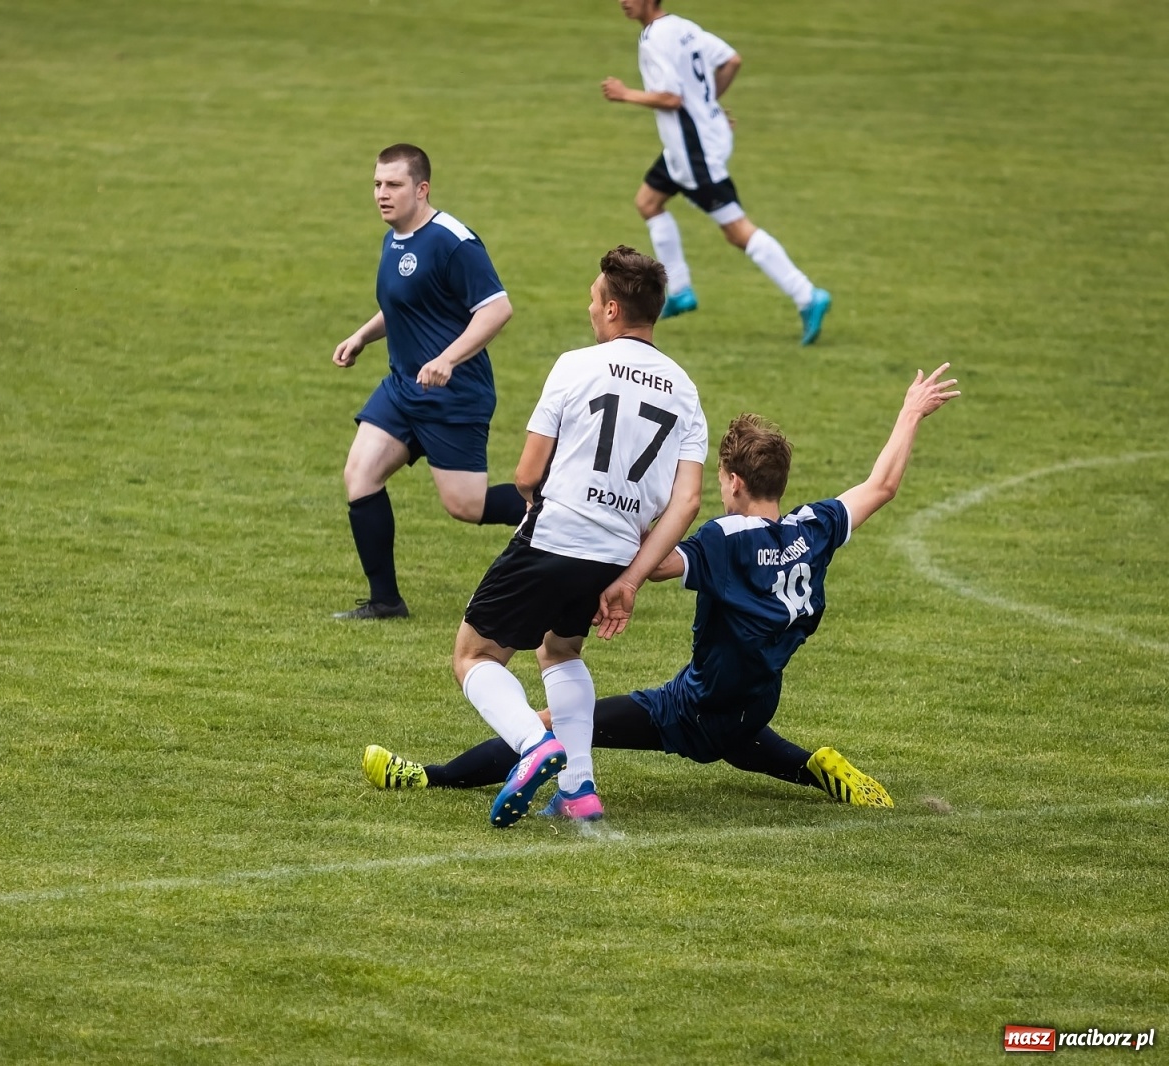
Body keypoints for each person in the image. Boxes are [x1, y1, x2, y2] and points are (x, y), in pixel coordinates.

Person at [363, 365, 963, 815]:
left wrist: (603, 510)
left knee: (553, 722)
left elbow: (654, 563)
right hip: (754, 704)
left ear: (731, 481)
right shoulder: (816, 528)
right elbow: (880, 485)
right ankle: (817, 767)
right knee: (742, 740)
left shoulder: (725, 540)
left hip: (691, 707)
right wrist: (909, 413)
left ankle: (429, 776)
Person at [449, 246, 707, 828]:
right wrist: (634, 577)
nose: (589, 308)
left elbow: (526, 473)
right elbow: (687, 500)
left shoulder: (574, 365)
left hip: (554, 535)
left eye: (594, 300)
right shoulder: (685, 389)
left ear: (614, 309)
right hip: (616, 555)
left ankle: (532, 744)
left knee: (474, 655)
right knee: (559, 650)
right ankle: (580, 788)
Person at [330, 144, 526, 620]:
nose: (381, 194)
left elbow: (497, 309)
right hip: (403, 387)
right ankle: (385, 602)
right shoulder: (395, 237)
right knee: (360, 475)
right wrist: (362, 336)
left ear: (422, 189)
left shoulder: (453, 241)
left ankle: (556, 507)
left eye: (393, 185)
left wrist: (449, 359)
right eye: (377, 184)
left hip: (452, 394)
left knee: (465, 505)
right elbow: (406, 303)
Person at [600, 0, 831, 345]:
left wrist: (625, 94)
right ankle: (679, 291)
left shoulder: (654, 38)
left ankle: (807, 295)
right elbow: (731, 60)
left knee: (737, 230)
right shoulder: (684, 27)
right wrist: (707, 108)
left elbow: (671, 97)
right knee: (648, 202)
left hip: (694, 152)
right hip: (690, 145)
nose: (623, 1)